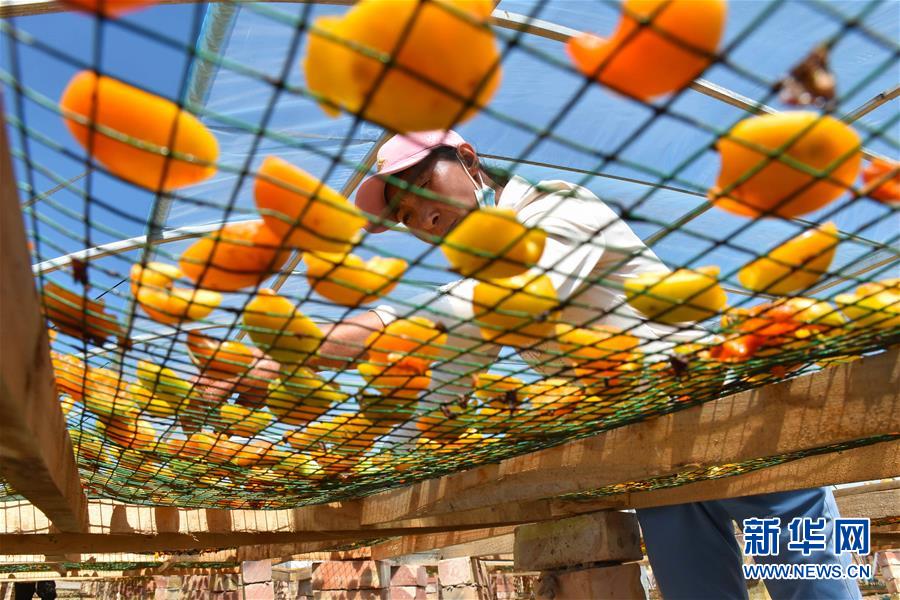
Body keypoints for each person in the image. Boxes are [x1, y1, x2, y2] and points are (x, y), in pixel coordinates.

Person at [315, 130, 860, 599]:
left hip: (734, 418)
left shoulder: (556, 207)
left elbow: (514, 296)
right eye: (406, 216)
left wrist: (377, 324)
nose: (425, 218)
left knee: (811, 581)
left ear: (468, 160)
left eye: (423, 189)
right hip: (651, 452)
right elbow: (452, 373)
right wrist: (374, 456)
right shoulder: (484, 275)